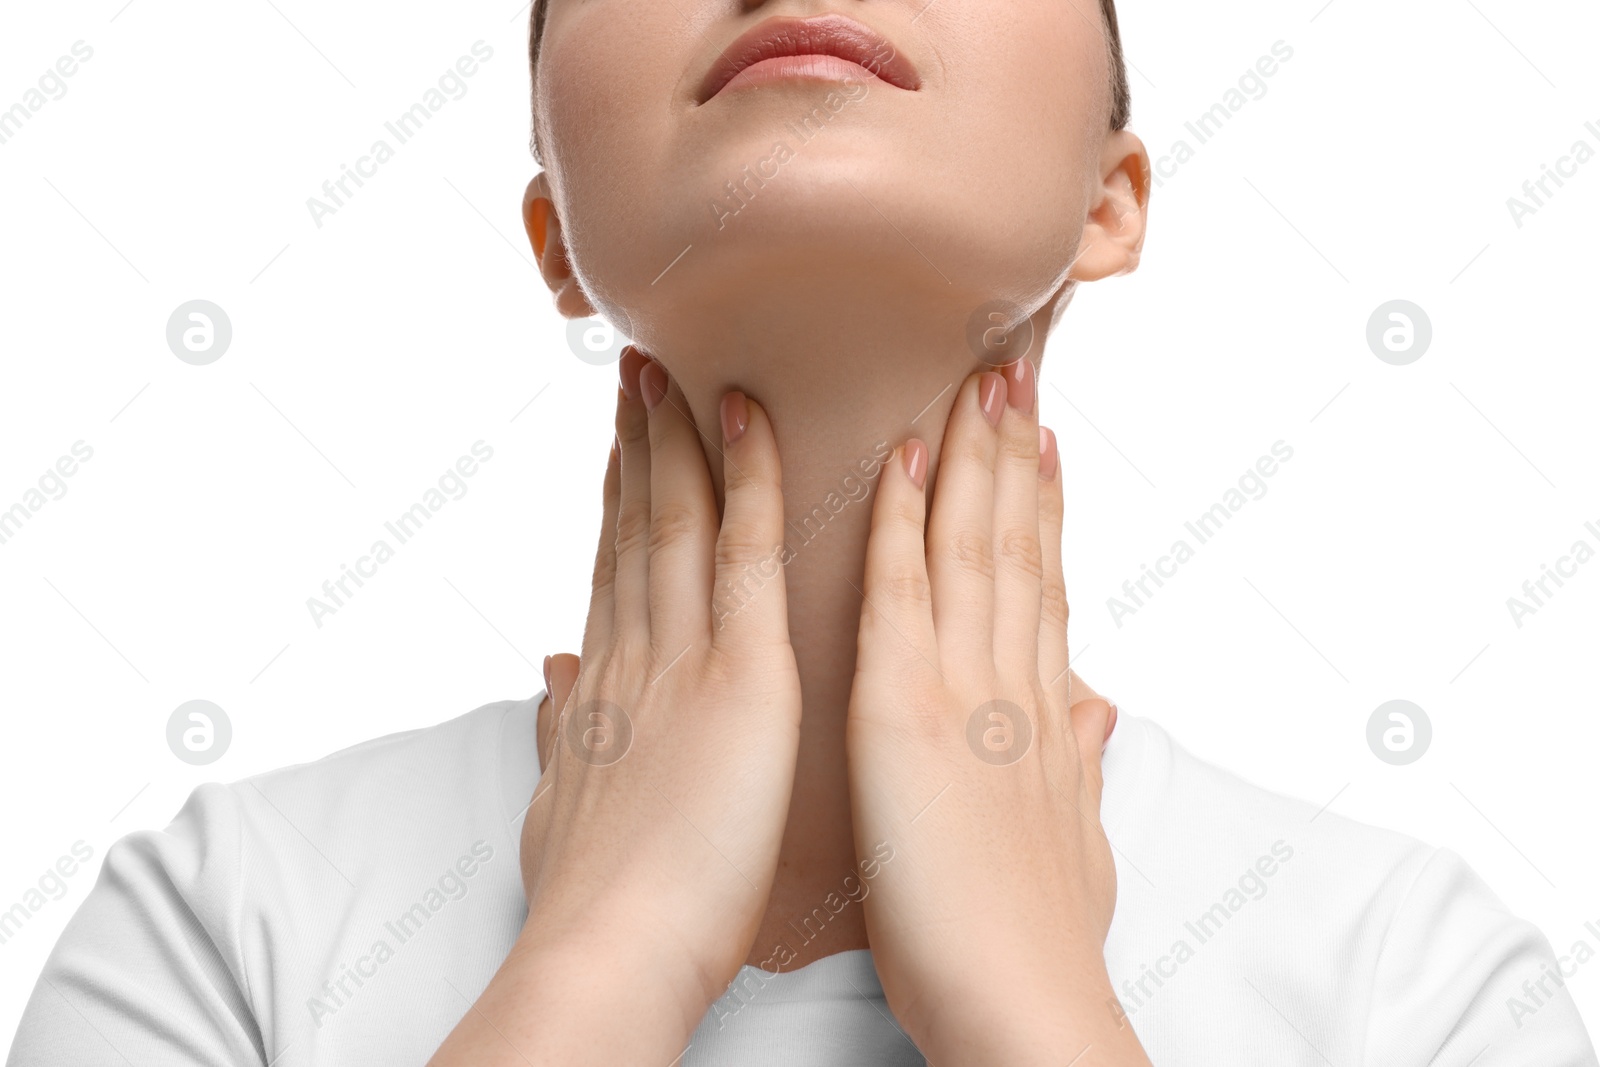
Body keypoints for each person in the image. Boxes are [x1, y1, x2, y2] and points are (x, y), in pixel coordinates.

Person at [9, 2, 1596, 1064]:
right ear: (558, 239)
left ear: (1112, 201)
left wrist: (1029, 1007)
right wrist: (602, 959)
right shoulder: (228, 920)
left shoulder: (1415, 980)